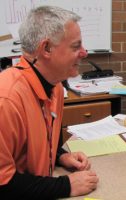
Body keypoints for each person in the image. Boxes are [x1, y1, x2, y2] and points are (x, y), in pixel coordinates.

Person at [0, 6, 99, 199]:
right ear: (46, 48)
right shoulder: (7, 100)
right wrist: (65, 185)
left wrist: (61, 156)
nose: (84, 52)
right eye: (75, 46)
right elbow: (2, 184)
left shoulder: (55, 87)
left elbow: (34, 143)